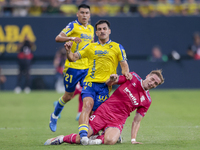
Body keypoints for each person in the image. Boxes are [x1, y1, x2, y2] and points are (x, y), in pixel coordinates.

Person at [44, 69, 164, 146]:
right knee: (81, 139)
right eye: (152, 79)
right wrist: (112, 79)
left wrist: (133, 139)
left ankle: (101, 137)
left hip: (118, 120)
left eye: (156, 83)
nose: (152, 83)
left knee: (110, 141)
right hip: (103, 112)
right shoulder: (132, 76)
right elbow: (111, 82)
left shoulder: (147, 100)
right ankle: (61, 139)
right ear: (148, 75)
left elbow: (137, 121)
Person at [64, 19, 132, 145]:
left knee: (98, 114)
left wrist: (125, 73)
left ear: (109, 31)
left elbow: (124, 66)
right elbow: (73, 58)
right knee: (87, 105)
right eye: (99, 29)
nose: (102, 31)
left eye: (104, 29)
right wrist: (68, 51)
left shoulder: (117, 47)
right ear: (96, 32)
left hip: (105, 86)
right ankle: (83, 136)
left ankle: (101, 135)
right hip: (90, 82)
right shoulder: (90, 46)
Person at [49, 4, 94, 132]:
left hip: (86, 68)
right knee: (68, 96)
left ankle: (88, 128)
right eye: (82, 13)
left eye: (87, 13)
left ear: (89, 15)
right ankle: (54, 115)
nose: (85, 15)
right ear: (77, 14)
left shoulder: (91, 29)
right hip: (72, 67)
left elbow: (90, 47)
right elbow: (58, 38)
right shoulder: (73, 26)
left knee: (88, 98)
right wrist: (71, 38)